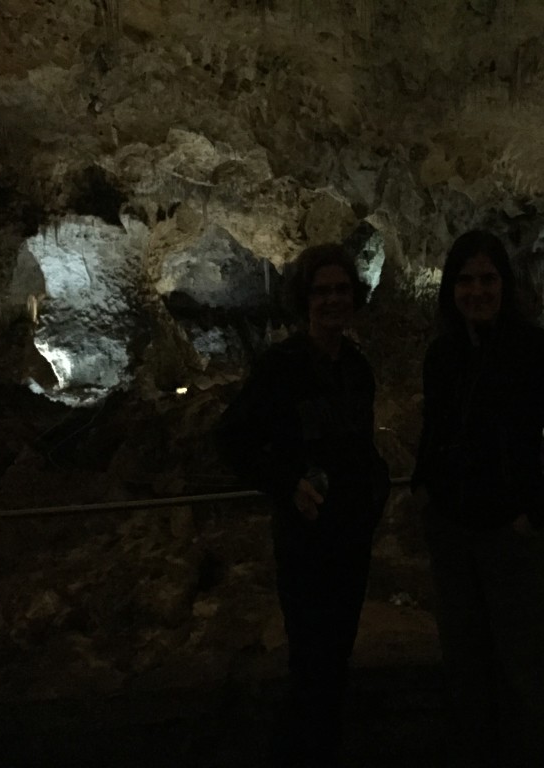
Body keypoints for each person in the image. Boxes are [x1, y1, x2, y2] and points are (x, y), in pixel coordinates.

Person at [412, 229, 544, 767]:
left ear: (504, 286)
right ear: (451, 289)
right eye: (465, 280)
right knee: (464, 657)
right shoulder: (443, 354)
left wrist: (539, 511)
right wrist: (425, 487)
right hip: (452, 529)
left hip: (510, 532)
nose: (477, 291)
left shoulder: (535, 351)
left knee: (524, 661)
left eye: (487, 279)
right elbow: (435, 428)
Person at [220, 243, 390, 767]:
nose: (333, 300)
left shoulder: (357, 369)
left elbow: (360, 446)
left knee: (336, 659)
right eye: (322, 291)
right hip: (305, 541)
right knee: (310, 664)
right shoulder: (282, 367)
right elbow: (231, 439)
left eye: (341, 290)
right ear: (305, 299)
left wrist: (375, 494)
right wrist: (286, 483)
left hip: (350, 540)